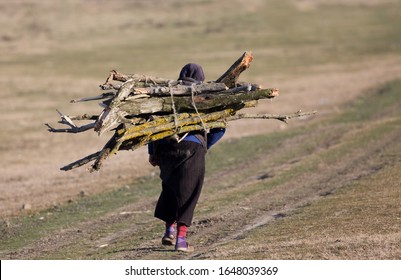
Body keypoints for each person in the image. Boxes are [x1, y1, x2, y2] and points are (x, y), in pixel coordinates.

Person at [148, 63, 225, 252]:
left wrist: (152, 152)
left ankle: (169, 231)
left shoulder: (167, 95)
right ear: (201, 79)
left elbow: (149, 124)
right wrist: (203, 144)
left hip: (165, 147)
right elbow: (220, 128)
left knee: (171, 189)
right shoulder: (205, 96)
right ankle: (181, 241)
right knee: (189, 193)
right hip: (193, 148)